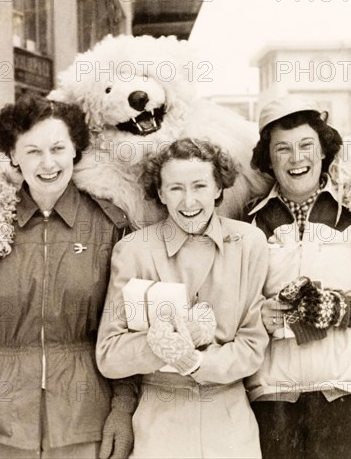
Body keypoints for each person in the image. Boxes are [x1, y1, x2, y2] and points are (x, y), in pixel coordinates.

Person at [0, 94, 136, 459]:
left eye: (58, 148)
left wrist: (123, 410)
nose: (48, 163)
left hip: (84, 418)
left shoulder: (109, 225)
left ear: (75, 151)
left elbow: (124, 327)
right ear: (13, 156)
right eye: (32, 151)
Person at [246, 96, 351, 459]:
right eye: (283, 149)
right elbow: (228, 312)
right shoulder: (249, 225)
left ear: (323, 150)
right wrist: (258, 316)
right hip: (275, 404)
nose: (297, 159)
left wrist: (348, 309)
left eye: (307, 145)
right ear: (267, 159)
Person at [96, 138, 270, 458]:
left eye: (200, 186)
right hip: (158, 422)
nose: (188, 201)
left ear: (219, 188)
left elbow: (252, 346)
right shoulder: (133, 250)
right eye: (175, 188)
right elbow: (109, 354)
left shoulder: (248, 243)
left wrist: (198, 362)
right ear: (160, 193)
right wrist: (158, 345)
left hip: (230, 423)